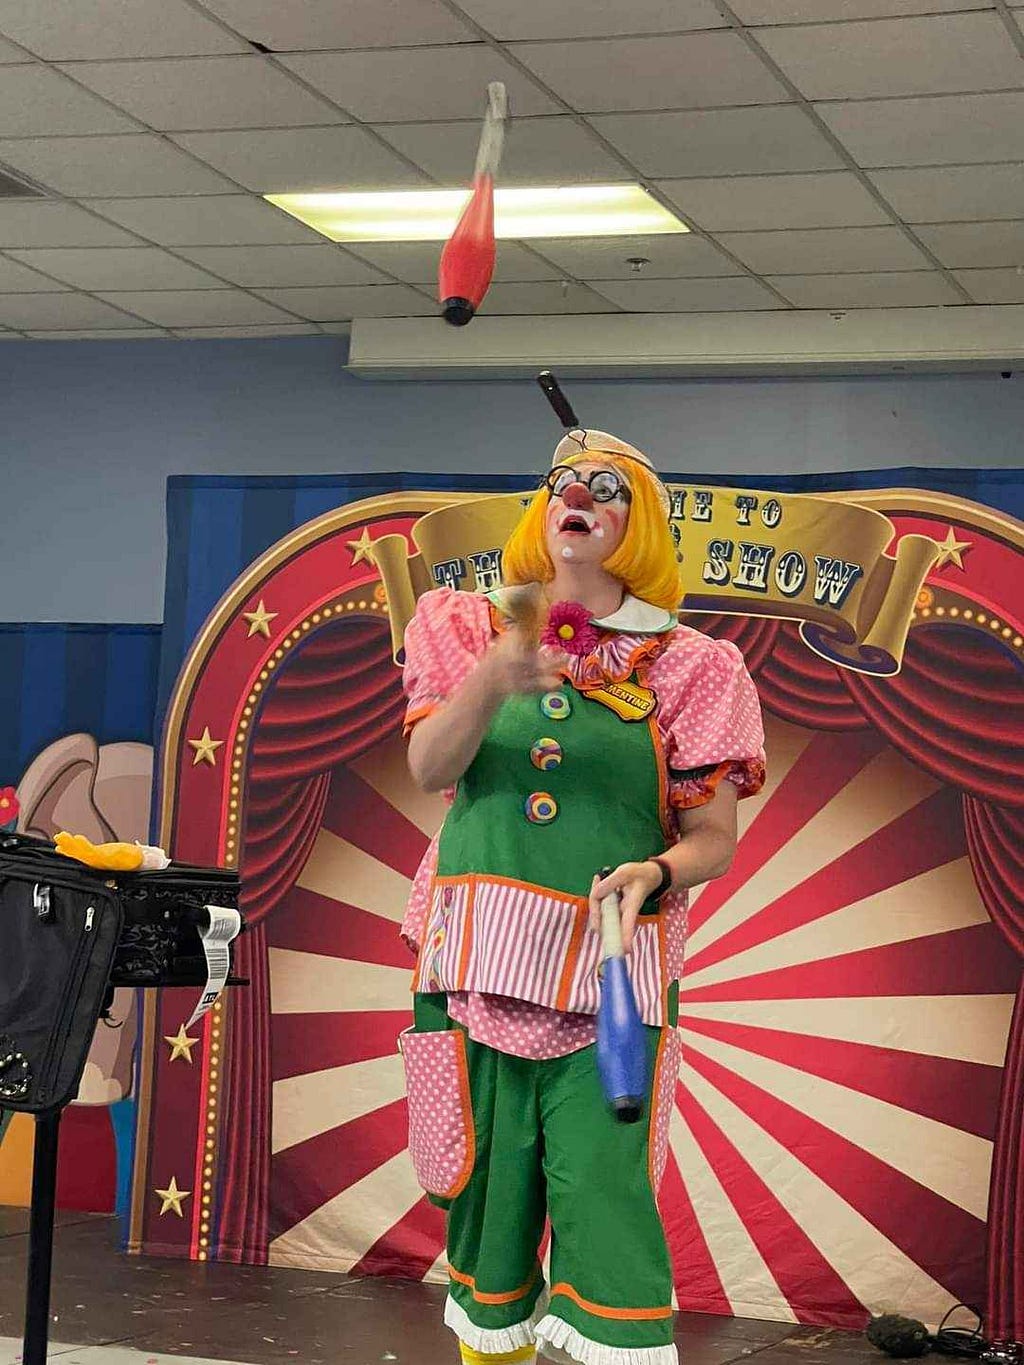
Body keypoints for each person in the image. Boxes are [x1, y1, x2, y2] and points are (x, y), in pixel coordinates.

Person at [399, 428, 765, 1365]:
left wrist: (658, 871)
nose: (583, 497)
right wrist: (496, 672)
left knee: (609, 1213)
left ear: (635, 525)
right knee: (487, 1206)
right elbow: (430, 764)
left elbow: (714, 837)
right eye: (567, 483)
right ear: (544, 508)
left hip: (611, 979)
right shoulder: (464, 625)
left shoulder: (691, 664)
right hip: (473, 964)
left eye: (609, 489)